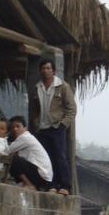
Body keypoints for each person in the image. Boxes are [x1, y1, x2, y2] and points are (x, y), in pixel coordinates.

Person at [29, 59, 76, 195]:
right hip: (42, 128)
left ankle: (65, 186)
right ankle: (52, 185)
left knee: (60, 156)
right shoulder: (37, 87)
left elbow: (72, 109)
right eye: (43, 68)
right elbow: (35, 109)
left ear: (53, 71)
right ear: (40, 70)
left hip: (57, 127)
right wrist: (35, 122)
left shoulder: (62, 86)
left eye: (48, 68)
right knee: (46, 158)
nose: (46, 71)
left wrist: (63, 124)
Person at [2, 115, 52, 191]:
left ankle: (29, 184)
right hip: (44, 177)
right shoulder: (26, 138)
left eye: (18, 126)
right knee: (15, 158)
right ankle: (27, 183)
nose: (15, 129)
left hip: (41, 175)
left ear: (25, 128)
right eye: (13, 127)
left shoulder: (24, 138)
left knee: (12, 159)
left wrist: (1, 138)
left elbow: (5, 152)